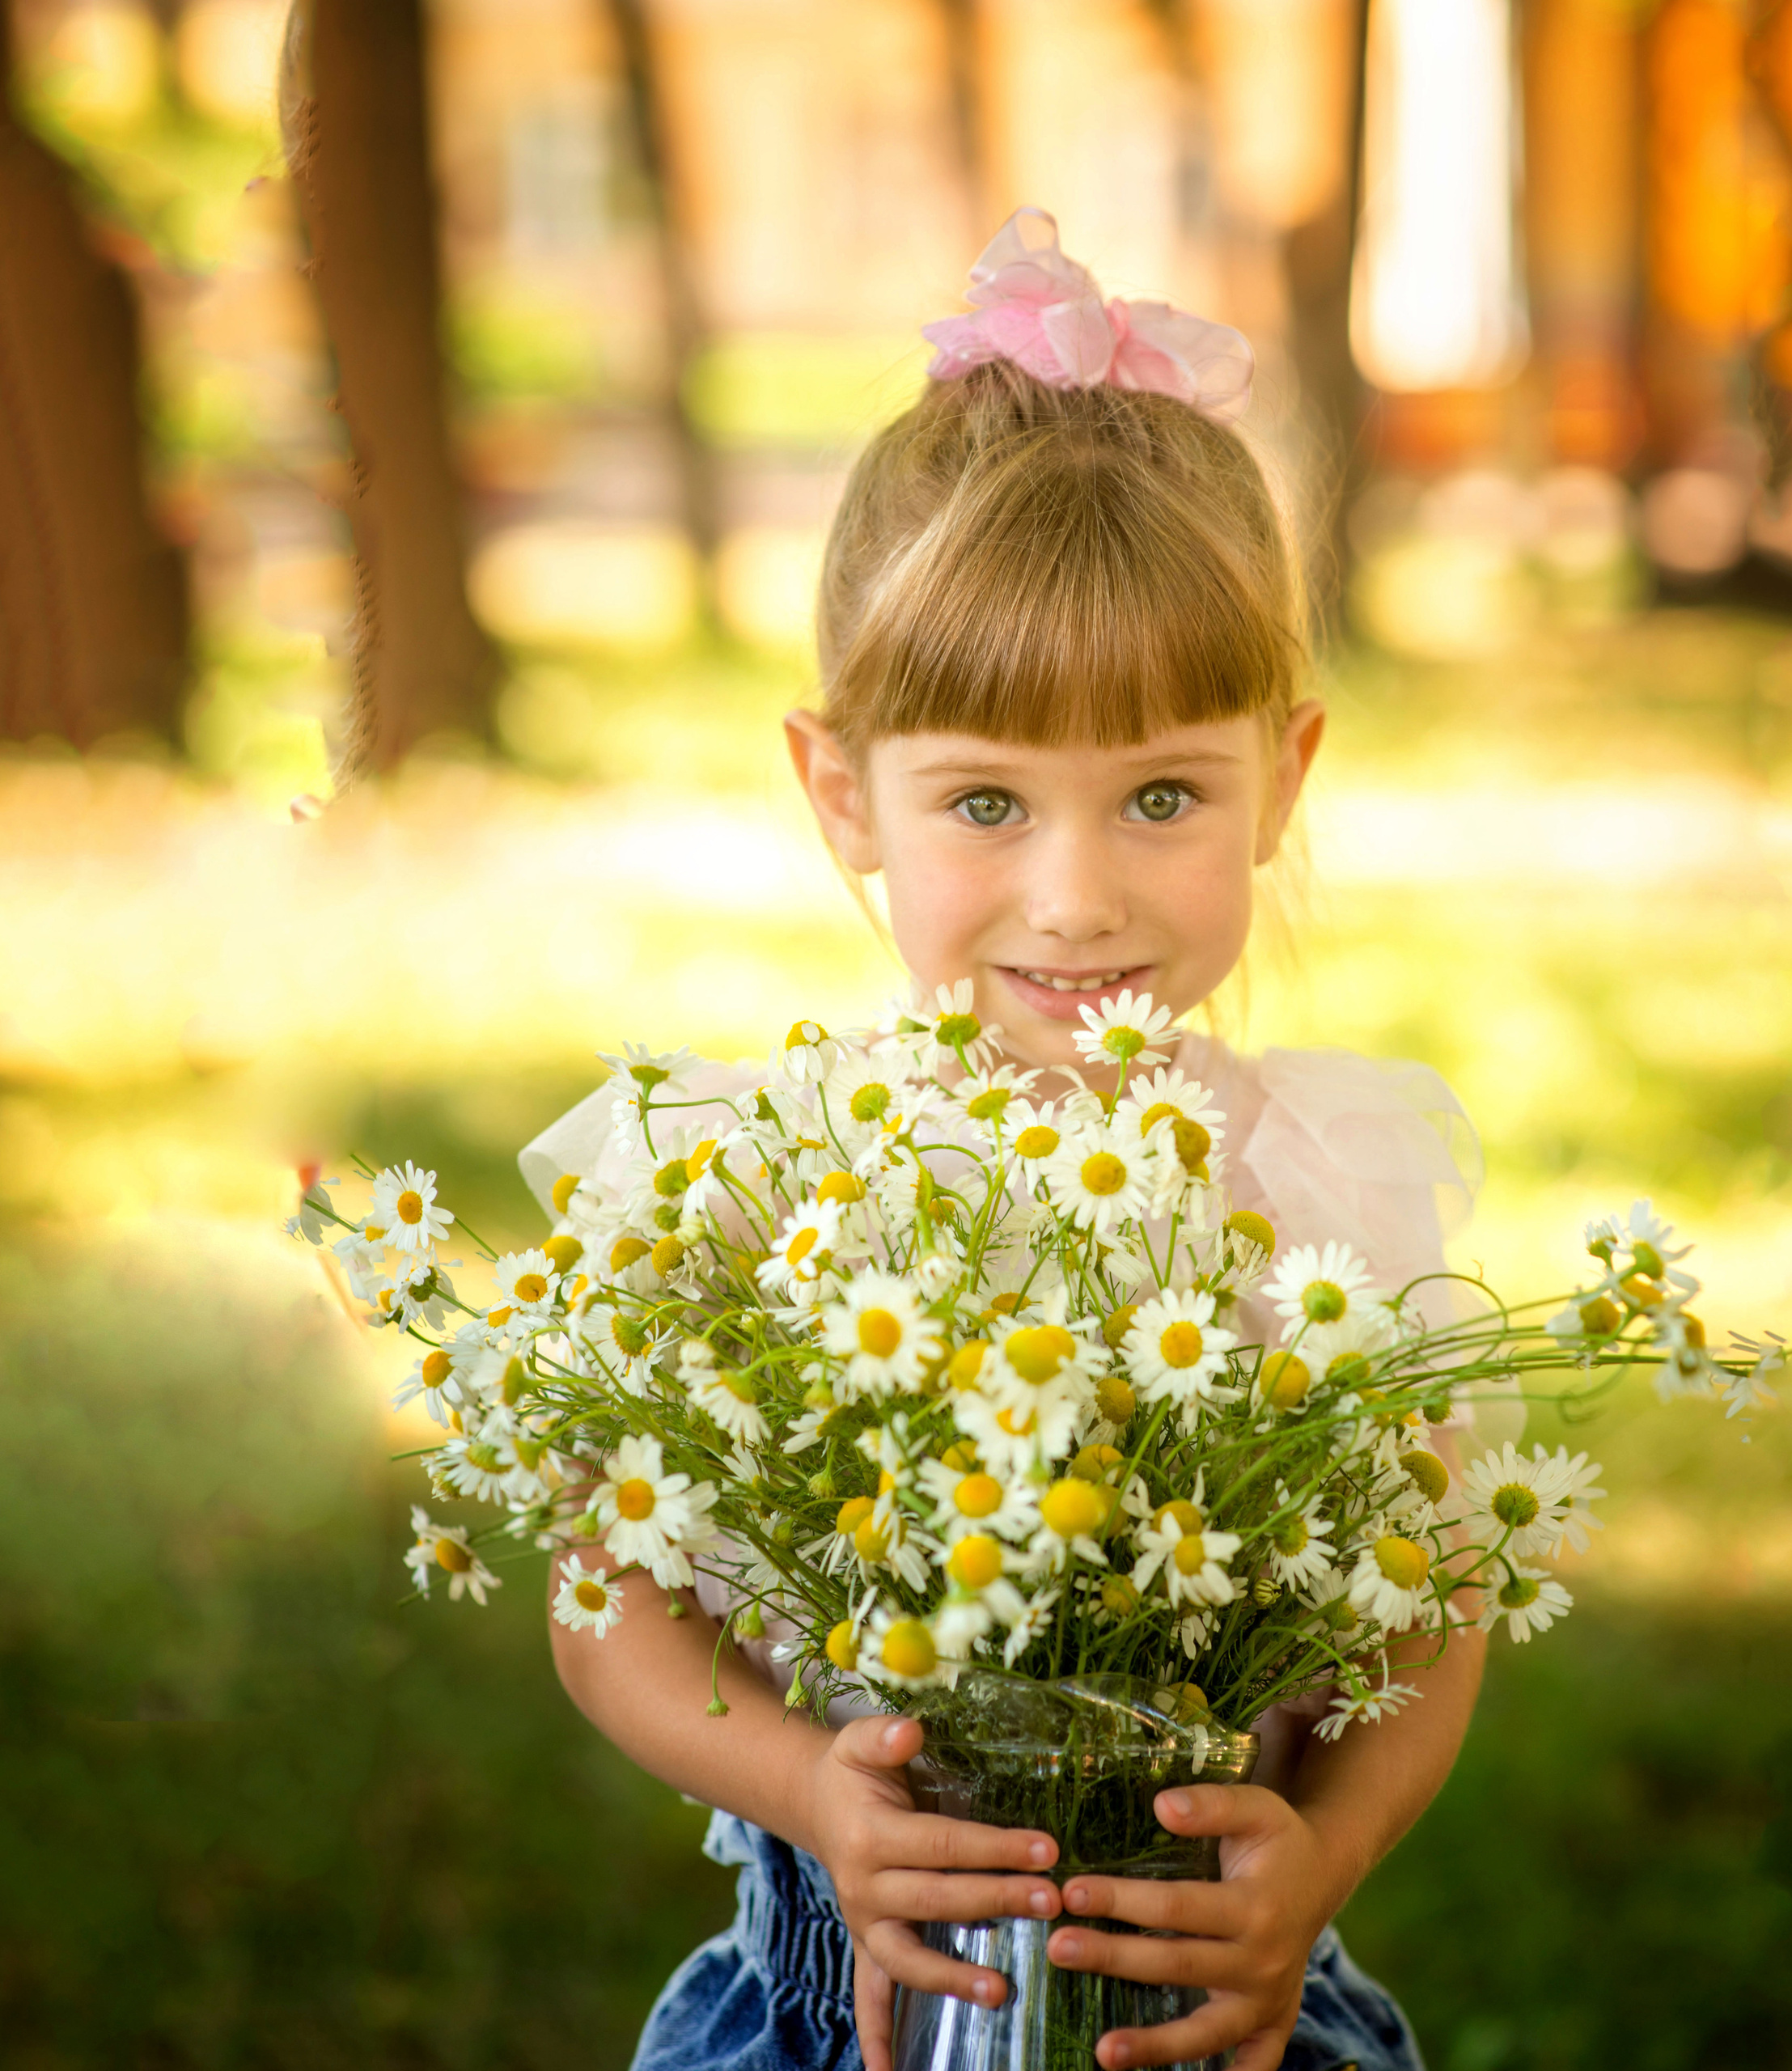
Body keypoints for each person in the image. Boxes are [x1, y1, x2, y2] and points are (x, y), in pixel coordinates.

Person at [528, 208, 1517, 2071]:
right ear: (846, 794)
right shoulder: (770, 1182)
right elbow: (607, 1598)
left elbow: (1436, 1608)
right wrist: (809, 1789)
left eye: (1160, 792)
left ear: (1281, 774)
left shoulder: (1309, 1190)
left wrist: (1322, 1850)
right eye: (985, 797)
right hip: (844, 2013)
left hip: (1211, 2014)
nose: (1074, 898)